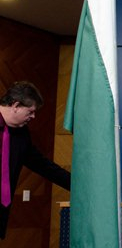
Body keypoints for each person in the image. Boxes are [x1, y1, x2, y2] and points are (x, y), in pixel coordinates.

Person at [0, 81, 70, 239]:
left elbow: (43, 166)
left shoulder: (21, 134)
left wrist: (77, 185)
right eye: (30, 111)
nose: (33, 116)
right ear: (16, 105)